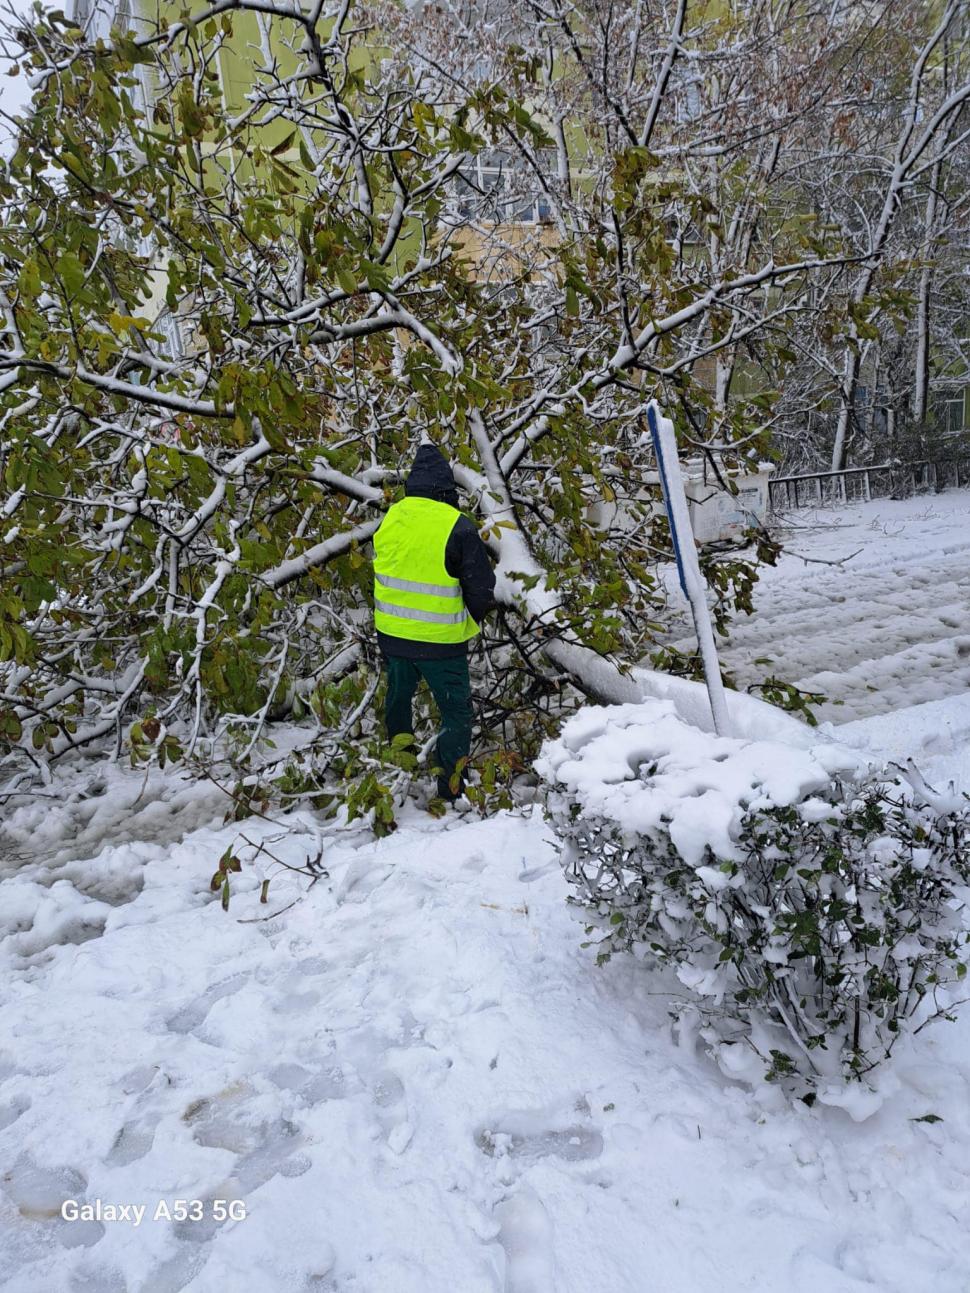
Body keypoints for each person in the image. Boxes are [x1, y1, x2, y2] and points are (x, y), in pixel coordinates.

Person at [372, 443, 496, 802]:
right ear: (446, 489)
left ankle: (400, 769)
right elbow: (482, 588)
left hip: (393, 636)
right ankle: (450, 789)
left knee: (397, 702)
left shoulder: (391, 517)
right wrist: (468, 619)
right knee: (456, 715)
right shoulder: (457, 526)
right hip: (442, 643)